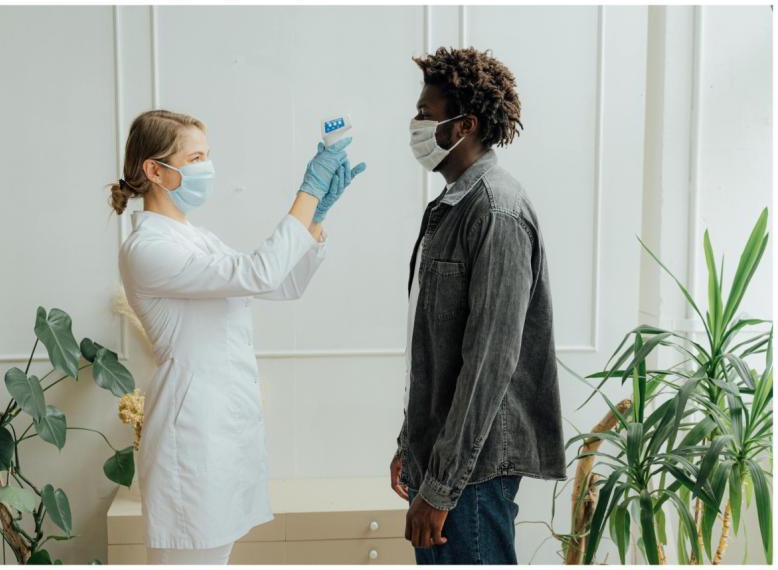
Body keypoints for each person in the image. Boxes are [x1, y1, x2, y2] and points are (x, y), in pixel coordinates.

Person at [110, 109, 365, 564]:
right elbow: (258, 271)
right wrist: (307, 191)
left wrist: (316, 218)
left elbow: (278, 284)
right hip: (190, 444)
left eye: (207, 155)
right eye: (195, 157)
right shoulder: (149, 248)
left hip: (221, 435)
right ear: (154, 170)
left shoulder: (197, 239)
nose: (206, 167)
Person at [390, 47, 567, 565]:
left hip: (472, 473)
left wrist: (442, 486)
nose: (415, 124)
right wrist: (412, 443)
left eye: (426, 113)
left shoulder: (498, 212)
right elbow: (431, 347)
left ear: (463, 125)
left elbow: (489, 363)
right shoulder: (449, 207)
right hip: (445, 460)